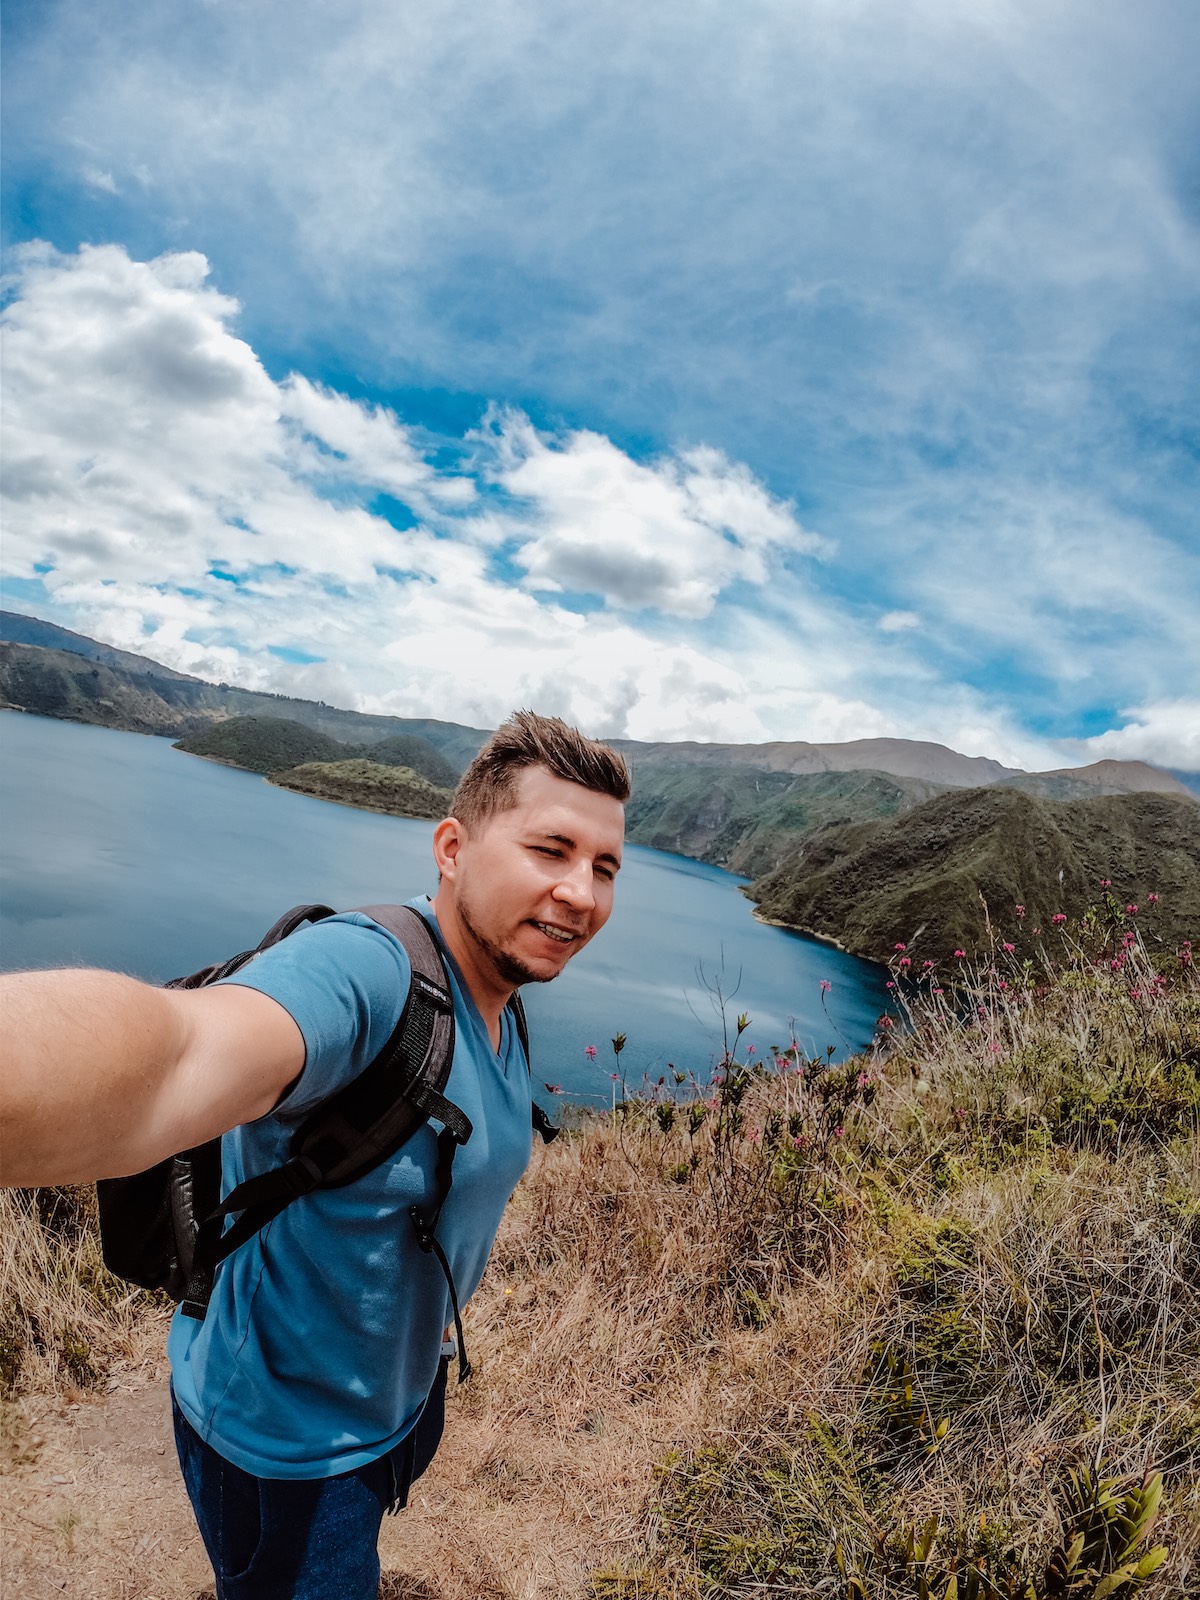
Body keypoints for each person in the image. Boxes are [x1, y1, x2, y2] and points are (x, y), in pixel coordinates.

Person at [1, 709, 631, 1599]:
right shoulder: (366, 973)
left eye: (605, 867)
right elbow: (176, 1054)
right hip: (286, 1446)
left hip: (391, 1406)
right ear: (452, 848)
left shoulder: (504, 995)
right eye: (551, 849)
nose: (582, 893)